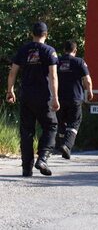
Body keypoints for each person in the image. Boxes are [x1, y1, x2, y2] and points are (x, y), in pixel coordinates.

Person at [6, 22, 59, 177]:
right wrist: (56, 98)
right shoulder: (49, 51)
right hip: (44, 97)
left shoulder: (23, 50)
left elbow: (12, 72)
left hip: (26, 96)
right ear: (46, 34)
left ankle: (26, 169)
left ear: (32, 34)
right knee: (51, 126)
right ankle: (42, 158)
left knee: (26, 132)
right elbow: (53, 76)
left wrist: (10, 91)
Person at [56, 40, 93, 159]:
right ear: (75, 50)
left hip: (59, 98)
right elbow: (87, 79)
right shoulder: (79, 62)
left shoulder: (57, 62)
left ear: (64, 49)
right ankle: (67, 145)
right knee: (74, 122)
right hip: (75, 98)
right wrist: (90, 91)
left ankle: (60, 145)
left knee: (61, 122)